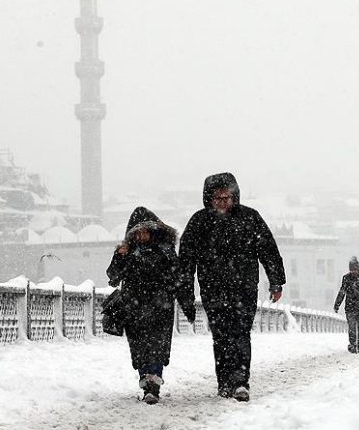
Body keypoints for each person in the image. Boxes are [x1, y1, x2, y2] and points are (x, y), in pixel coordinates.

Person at [178, 173, 285, 402]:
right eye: (218, 198)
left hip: (244, 288)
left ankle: (240, 381)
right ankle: (224, 382)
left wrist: (276, 281)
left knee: (240, 333)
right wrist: (185, 292)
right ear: (209, 199)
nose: (223, 202)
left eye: (227, 197)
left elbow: (268, 250)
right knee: (221, 336)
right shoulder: (199, 222)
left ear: (234, 197)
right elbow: (185, 260)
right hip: (213, 290)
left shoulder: (249, 218)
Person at [106, 207, 196, 405]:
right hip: (134, 308)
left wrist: (187, 304)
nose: (141, 235)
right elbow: (113, 277)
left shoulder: (166, 251)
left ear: (154, 230)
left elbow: (179, 280)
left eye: (145, 230)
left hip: (160, 308)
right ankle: (146, 381)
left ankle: (153, 385)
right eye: (137, 232)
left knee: (156, 347)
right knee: (139, 349)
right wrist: (119, 257)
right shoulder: (127, 252)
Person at [333, 256, 359, 353]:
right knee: (352, 328)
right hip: (350, 307)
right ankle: (353, 345)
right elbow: (342, 292)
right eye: (351, 270)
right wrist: (337, 304)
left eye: (355, 270)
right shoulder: (346, 278)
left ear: (358, 268)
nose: (353, 272)